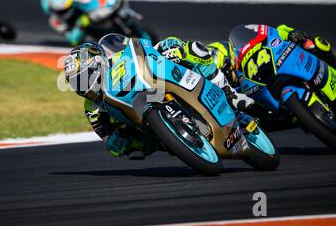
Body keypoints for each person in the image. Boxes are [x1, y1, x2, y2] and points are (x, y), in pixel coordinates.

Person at [64, 36, 254, 160]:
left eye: (82, 78)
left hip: (152, 79)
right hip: (145, 128)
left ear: (97, 63)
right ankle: (175, 137)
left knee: (181, 47)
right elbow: (111, 145)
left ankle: (227, 90)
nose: (81, 87)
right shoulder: (92, 109)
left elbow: (138, 45)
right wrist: (120, 135)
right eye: (75, 83)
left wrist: (159, 51)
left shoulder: (117, 57)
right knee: (134, 151)